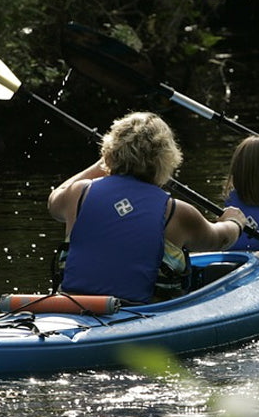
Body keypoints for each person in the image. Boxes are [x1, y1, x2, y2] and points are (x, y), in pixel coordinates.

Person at [47, 111, 247, 304]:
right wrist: (234, 222)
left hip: (73, 306)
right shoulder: (176, 212)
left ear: (108, 152)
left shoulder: (78, 194)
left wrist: (106, 161)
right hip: (141, 312)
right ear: (167, 159)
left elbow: (54, 201)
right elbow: (219, 239)